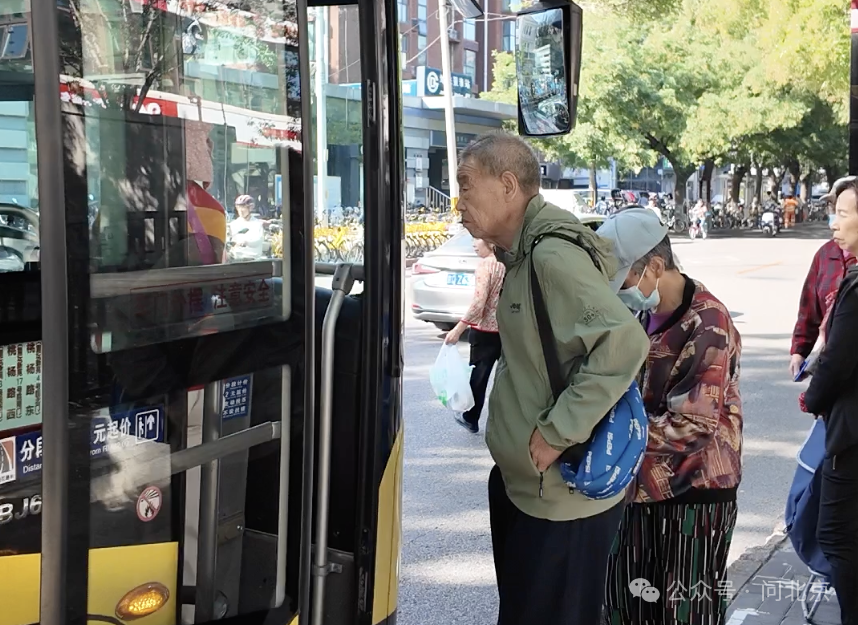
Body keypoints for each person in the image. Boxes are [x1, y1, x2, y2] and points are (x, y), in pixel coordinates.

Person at [456, 132, 650, 625]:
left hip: (560, 500)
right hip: (528, 489)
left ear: (507, 185)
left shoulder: (550, 256)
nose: (459, 202)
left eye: (465, 185)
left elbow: (623, 342)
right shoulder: (519, 255)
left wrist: (557, 432)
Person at [597, 208, 743, 625]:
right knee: (625, 603)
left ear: (655, 267)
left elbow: (695, 425)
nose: (620, 290)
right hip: (639, 487)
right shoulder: (640, 313)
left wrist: (613, 439)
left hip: (695, 494)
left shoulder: (709, 323)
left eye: (625, 280)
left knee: (686, 611)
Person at [797, 176, 858, 625]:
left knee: (836, 535)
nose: (833, 223)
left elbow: (838, 359)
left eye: (842, 214)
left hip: (850, 433)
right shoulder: (830, 262)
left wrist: (812, 397)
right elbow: (810, 315)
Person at [789, 190, 857, 379]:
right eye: (832, 209)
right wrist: (799, 351)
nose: (834, 222)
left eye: (842, 213)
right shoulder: (825, 254)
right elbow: (808, 308)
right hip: (830, 365)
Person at [444, 237, 505, 434]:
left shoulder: (486, 266)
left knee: (479, 377)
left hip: (485, 331)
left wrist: (458, 329)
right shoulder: (508, 264)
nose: (473, 244)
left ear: (490, 243)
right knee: (507, 379)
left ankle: (471, 417)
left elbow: (479, 303)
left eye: (477, 239)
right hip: (507, 331)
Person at [228, 194, 265, 261]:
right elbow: (230, 241)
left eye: (243, 207)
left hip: (253, 259)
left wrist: (247, 242)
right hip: (237, 259)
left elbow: (258, 240)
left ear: (250, 208)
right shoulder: (233, 224)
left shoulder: (257, 224)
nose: (240, 210)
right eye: (238, 208)